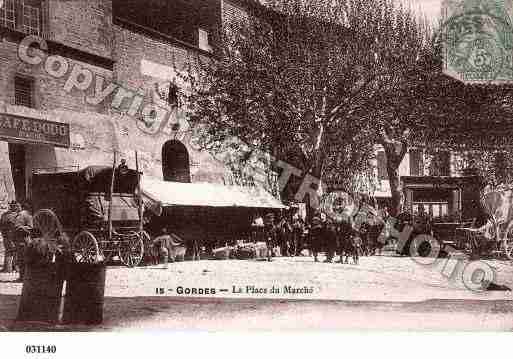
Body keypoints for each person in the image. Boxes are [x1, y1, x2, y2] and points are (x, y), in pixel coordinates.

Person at [13, 201, 33, 281]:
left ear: (20, 206)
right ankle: (23, 276)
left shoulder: (23, 215)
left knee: (22, 259)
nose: (14, 208)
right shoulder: (23, 215)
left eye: (16, 206)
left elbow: (30, 228)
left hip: (23, 240)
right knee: (22, 259)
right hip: (22, 240)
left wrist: (19, 227)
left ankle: (23, 277)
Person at [0, 201, 19, 273]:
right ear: (14, 207)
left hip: (5, 236)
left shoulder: (4, 215)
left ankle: (8, 268)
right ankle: (15, 268)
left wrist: (3, 234)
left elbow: (1, 226)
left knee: (8, 251)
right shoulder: (16, 216)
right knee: (15, 251)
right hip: (13, 236)